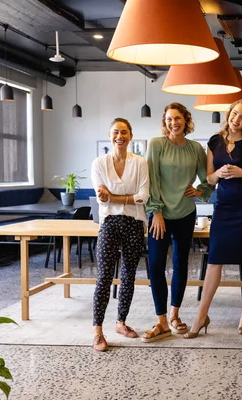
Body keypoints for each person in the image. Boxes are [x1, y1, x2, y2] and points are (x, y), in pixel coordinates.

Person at [184, 99, 242, 339]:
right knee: (215, 260)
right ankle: (201, 315)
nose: (236, 119)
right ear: (228, 114)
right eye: (234, 114)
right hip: (224, 206)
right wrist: (218, 174)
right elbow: (209, 179)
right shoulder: (214, 141)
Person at [142, 102, 214, 342]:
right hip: (160, 215)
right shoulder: (156, 145)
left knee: (181, 263)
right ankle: (161, 320)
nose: (174, 122)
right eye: (170, 119)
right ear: (165, 122)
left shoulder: (195, 149)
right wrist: (157, 212)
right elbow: (151, 180)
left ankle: (174, 314)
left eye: (178, 118)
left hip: (185, 213)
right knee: (155, 265)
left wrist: (200, 191)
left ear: (186, 120)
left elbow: (208, 179)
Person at [91, 117, 149, 352]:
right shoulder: (99, 163)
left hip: (135, 223)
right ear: (109, 135)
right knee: (104, 276)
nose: (120, 136)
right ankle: (97, 331)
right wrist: (125, 198)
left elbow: (143, 195)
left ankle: (121, 323)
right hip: (109, 223)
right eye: (116, 132)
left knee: (128, 275)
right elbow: (100, 196)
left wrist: (113, 197)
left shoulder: (140, 163)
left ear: (130, 136)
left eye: (124, 132)